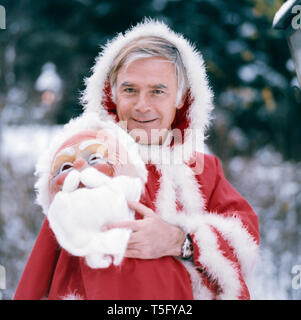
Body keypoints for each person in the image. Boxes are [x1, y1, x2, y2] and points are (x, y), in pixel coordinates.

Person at [15, 19, 259, 300]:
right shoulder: (83, 157)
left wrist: (181, 240)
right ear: (113, 94)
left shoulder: (202, 170)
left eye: (157, 91)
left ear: (181, 97)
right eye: (130, 90)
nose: (143, 105)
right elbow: (41, 268)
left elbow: (244, 241)